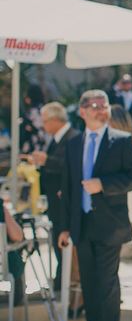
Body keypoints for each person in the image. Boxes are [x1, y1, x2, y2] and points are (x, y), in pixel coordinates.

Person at [59, 90, 132, 321]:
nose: (99, 110)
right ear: (82, 111)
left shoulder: (120, 141)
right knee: (90, 285)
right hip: (82, 226)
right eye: (92, 106)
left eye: (103, 105)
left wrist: (103, 185)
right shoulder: (73, 144)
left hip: (110, 227)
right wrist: (65, 228)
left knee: (107, 287)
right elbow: (68, 189)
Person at [29, 102, 79, 291]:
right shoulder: (56, 139)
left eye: (45, 121)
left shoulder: (73, 137)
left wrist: (46, 160)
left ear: (54, 120)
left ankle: (66, 281)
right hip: (55, 200)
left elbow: (71, 166)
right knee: (57, 240)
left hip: (63, 201)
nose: (43, 125)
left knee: (63, 239)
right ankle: (62, 279)